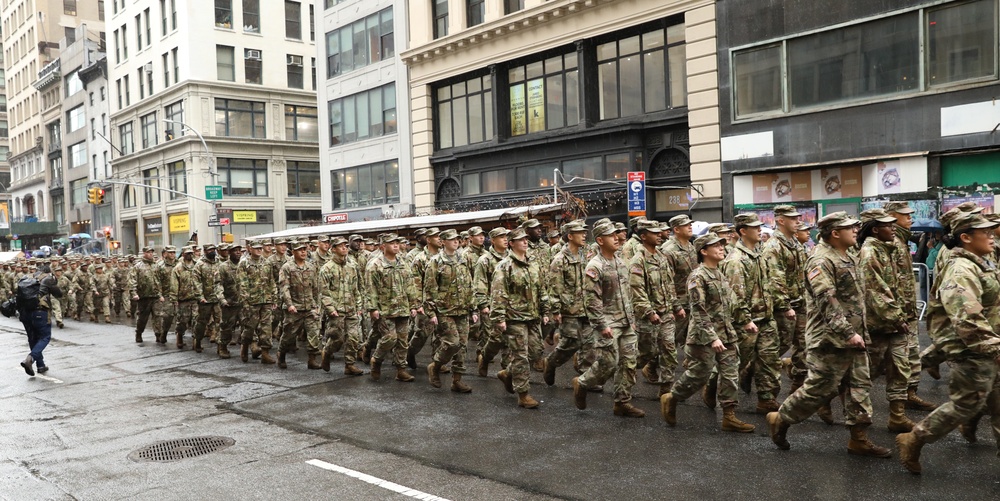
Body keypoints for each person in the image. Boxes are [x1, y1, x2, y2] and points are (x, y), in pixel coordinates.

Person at [767, 212, 892, 458]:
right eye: (849, 228)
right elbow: (827, 300)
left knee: (860, 387)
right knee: (819, 389)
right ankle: (781, 419)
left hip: (854, 336)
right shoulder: (821, 260)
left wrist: (861, 332)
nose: (856, 230)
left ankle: (859, 439)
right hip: (829, 339)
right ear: (835, 233)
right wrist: (847, 332)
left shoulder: (849, 255)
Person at [896, 211, 1000, 474]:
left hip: (991, 344)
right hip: (973, 349)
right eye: (985, 232)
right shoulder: (961, 269)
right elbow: (967, 319)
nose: (992, 235)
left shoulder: (981, 262)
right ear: (965, 238)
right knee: (964, 405)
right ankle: (915, 437)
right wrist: (994, 348)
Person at [660, 234, 754, 432]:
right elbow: (698, 309)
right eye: (716, 246)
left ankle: (729, 416)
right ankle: (672, 397)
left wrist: (746, 321)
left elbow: (733, 302)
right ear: (703, 251)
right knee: (699, 375)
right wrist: (712, 338)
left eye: (721, 245)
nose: (721, 248)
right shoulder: (698, 277)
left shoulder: (720, 274)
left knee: (730, 374)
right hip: (704, 337)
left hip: (727, 334)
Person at [571, 221, 643, 417]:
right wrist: (601, 325)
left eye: (617, 234)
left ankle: (622, 402)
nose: (617, 238)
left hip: (626, 322)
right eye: (612, 236)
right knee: (608, 364)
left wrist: (632, 319)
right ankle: (583, 382)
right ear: (601, 240)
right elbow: (591, 299)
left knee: (628, 363)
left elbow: (627, 293)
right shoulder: (595, 266)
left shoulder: (620, 262)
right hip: (608, 322)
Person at [857, 208, 915, 433]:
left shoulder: (888, 248)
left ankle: (897, 416)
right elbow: (874, 290)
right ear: (875, 229)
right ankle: (834, 401)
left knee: (900, 368)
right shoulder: (870, 252)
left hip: (896, 323)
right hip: (878, 325)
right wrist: (895, 316)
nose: (893, 228)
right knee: (867, 372)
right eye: (888, 225)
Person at [721, 213, 780, 414]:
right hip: (745, 321)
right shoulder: (736, 260)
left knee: (768, 360)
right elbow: (735, 294)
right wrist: (745, 320)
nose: (759, 230)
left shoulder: (759, 254)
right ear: (743, 231)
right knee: (736, 363)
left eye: (759, 226)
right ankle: (712, 387)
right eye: (755, 227)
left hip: (765, 317)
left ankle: (766, 399)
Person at [884, 201, 938, 412]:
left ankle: (909, 394)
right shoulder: (892, 242)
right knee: (886, 361)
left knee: (911, 354)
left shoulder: (902, 240)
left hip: (907, 309)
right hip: (896, 311)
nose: (910, 218)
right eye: (904, 215)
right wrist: (895, 312)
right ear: (892, 217)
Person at [493, 227, 549, 409]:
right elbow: (499, 293)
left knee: (536, 352)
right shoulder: (505, 266)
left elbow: (541, 288)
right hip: (514, 317)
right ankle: (523, 394)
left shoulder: (533, 263)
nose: (525, 242)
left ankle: (507, 373)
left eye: (526, 239)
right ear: (511, 244)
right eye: (521, 240)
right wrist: (499, 317)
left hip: (532, 316)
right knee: (520, 356)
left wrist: (545, 310)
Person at [627, 220, 676, 398]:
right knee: (647, 352)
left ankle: (667, 390)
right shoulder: (638, 261)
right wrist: (649, 312)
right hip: (647, 317)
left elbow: (669, 284)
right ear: (643, 236)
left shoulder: (661, 257)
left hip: (666, 314)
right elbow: (636, 290)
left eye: (659, 232)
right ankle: (623, 373)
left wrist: (676, 307)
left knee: (669, 350)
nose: (659, 235)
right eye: (654, 233)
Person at [544, 221, 597, 386]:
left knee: (590, 343)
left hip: (587, 307)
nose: (584, 235)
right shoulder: (559, 260)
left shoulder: (587, 255)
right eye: (580, 233)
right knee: (571, 343)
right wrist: (556, 310)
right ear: (570, 236)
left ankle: (585, 378)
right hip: (569, 309)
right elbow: (554, 287)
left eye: (584, 232)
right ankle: (551, 362)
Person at [424, 229, 477, 393]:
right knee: (452, 343)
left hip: (462, 309)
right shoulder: (436, 261)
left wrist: (473, 308)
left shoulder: (464, 259)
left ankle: (457, 380)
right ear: (443, 242)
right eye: (452, 239)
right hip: (444, 310)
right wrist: (431, 312)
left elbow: (470, 284)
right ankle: (436, 365)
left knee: (462, 346)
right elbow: (429, 288)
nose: (456, 241)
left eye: (458, 239)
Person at [762, 205, 808, 395]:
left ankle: (798, 385)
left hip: (800, 301)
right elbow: (775, 278)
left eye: (798, 218)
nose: (798, 221)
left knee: (803, 343)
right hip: (784, 306)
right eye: (793, 218)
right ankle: (754, 371)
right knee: (779, 345)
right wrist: (784, 305)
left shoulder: (795, 244)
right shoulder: (773, 246)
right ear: (781, 221)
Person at [367, 234, 420, 382]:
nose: (396, 245)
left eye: (397, 242)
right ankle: (376, 361)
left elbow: (410, 285)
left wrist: (414, 304)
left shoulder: (402, 263)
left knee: (403, 341)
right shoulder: (375, 265)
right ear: (383, 246)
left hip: (402, 308)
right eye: (392, 243)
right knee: (390, 339)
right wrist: (372, 308)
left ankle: (401, 370)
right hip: (385, 309)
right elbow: (371, 288)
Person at [318, 237, 364, 375]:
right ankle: (327, 351)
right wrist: (330, 309)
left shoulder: (352, 266)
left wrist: (359, 305)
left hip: (351, 308)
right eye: (340, 246)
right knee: (338, 338)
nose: (344, 248)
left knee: (353, 337)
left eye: (345, 245)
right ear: (333, 249)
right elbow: (323, 292)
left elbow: (356, 288)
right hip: (336, 310)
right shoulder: (327, 268)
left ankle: (349, 365)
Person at [277, 240, 322, 369]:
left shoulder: (311, 267)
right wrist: (289, 304)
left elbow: (315, 288)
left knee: (313, 333)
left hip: (309, 307)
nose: (303, 252)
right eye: (300, 250)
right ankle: (281, 355)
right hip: (294, 308)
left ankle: (312, 359)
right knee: (289, 336)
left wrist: (316, 305)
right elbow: (284, 288)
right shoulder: (287, 267)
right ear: (293, 252)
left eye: (305, 249)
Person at [474, 227, 510, 376]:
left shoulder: (512, 258)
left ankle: (508, 371)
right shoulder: (485, 260)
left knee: (511, 339)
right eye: (501, 237)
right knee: (496, 339)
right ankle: (485, 358)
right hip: (493, 305)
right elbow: (480, 283)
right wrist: (483, 304)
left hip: (512, 305)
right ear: (493, 240)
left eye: (506, 236)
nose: (505, 239)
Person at [18, 261, 63, 376]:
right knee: (45, 337)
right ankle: (30, 359)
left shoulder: (26, 278)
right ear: (48, 271)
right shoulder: (47, 279)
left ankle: (40, 365)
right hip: (39, 312)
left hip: (25, 313)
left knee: (33, 338)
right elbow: (58, 294)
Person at [238, 241, 278, 364]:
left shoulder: (266, 263)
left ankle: (265, 353)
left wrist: (274, 297)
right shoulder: (244, 264)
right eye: (256, 248)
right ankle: (245, 347)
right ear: (250, 249)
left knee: (266, 328)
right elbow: (242, 284)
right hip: (252, 301)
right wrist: (246, 302)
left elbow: (271, 281)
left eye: (260, 248)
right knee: (250, 327)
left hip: (266, 299)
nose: (259, 250)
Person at [193, 243, 225, 356]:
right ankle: (197, 340)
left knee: (220, 323)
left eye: (214, 249)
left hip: (217, 299)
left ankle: (220, 346)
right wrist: (200, 296)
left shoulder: (219, 263)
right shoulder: (199, 265)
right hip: (205, 300)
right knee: (201, 323)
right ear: (205, 251)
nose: (212, 252)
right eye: (210, 250)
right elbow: (196, 282)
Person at [130, 246, 164, 344]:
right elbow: (132, 280)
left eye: (151, 252)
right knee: (142, 317)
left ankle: (158, 335)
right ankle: (139, 333)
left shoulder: (156, 265)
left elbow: (160, 280)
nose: (150, 254)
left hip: (156, 296)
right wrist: (134, 293)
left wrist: (161, 294)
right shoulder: (138, 266)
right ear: (144, 253)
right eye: (148, 252)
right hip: (144, 296)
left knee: (158, 316)